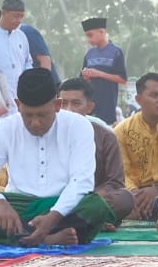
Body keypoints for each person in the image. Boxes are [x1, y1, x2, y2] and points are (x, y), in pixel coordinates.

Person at [0, 68, 113, 245]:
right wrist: (0, 204)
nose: (35, 122)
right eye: (28, 115)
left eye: (42, 115)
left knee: (96, 206)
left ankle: (8, 237)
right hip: (19, 205)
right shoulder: (5, 128)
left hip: (59, 203)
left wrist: (54, 216)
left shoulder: (79, 126)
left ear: (57, 105)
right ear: (18, 105)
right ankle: (47, 239)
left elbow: (81, 180)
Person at [57, 77, 134, 223]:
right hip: (53, 199)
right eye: (63, 103)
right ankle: (89, 222)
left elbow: (115, 183)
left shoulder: (105, 136)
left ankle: (80, 219)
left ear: (90, 107)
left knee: (125, 199)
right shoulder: (46, 133)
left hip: (90, 200)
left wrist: (84, 198)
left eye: (76, 103)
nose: (68, 110)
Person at [115, 72, 158, 219]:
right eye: (154, 95)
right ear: (139, 99)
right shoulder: (122, 130)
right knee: (117, 203)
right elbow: (122, 172)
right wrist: (135, 196)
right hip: (135, 196)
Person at [79, 17, 126, 124]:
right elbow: (81, 80)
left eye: (90, 35)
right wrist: (85, 76)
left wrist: (99, 74)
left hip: (107, 102)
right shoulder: (89, 54)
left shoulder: (116, 52)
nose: (88, 39)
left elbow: (122, 79)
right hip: (90, 102)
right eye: (86, 36)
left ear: (101, 32)